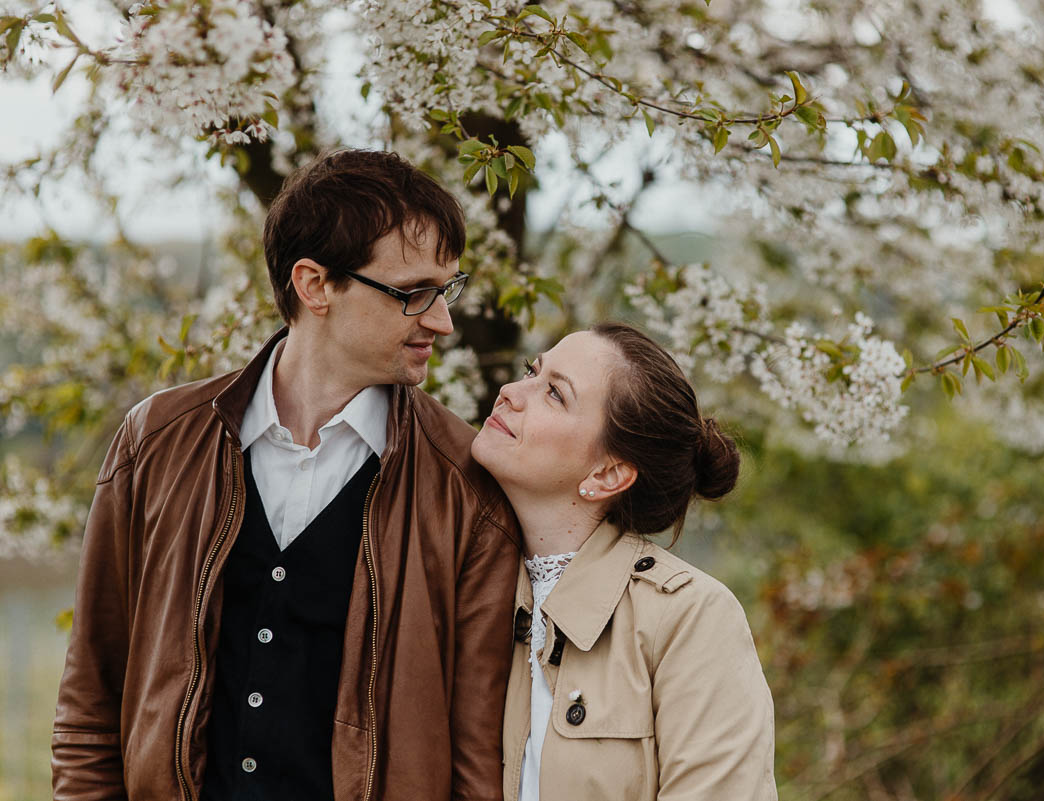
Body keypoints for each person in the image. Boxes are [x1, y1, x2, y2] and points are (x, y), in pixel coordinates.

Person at [52, 149, 521, 801]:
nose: (441, 319)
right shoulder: (156, 441)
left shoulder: (466, 487)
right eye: (413, 293)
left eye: (447, 289)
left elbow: (479, 763)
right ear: (313, 284)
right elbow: (89, 708)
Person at [470, 322, 778, 801]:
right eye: (531, 371)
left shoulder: (690, 618)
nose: (510, 392)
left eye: (554, 393)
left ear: (609, 472)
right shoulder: (468, 588)